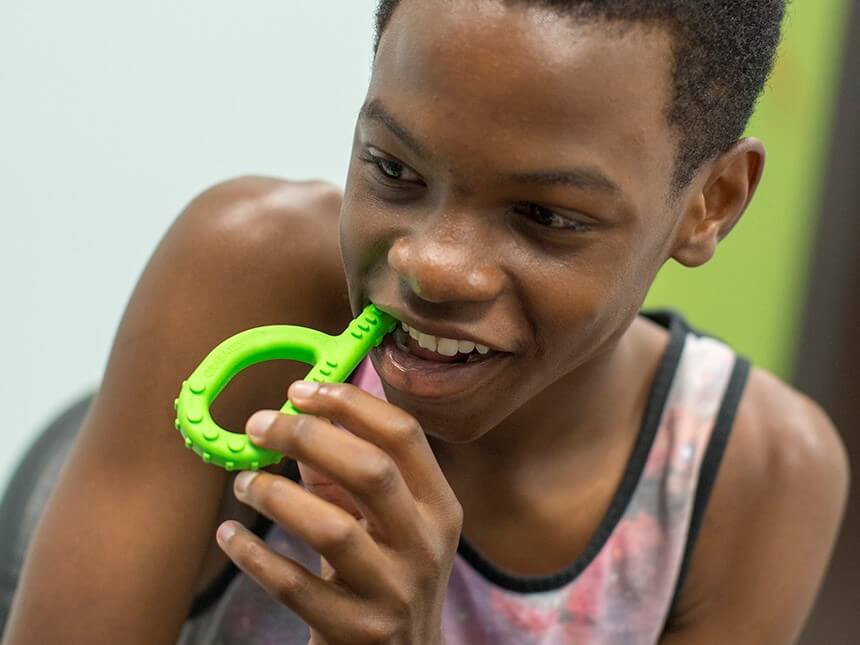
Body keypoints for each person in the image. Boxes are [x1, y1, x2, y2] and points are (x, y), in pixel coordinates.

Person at [2, 1, 849, 644]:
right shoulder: (246, 271)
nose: (431, 264)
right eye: (392, 168)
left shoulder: (756, 476)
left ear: (711, 202)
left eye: (545, 216)